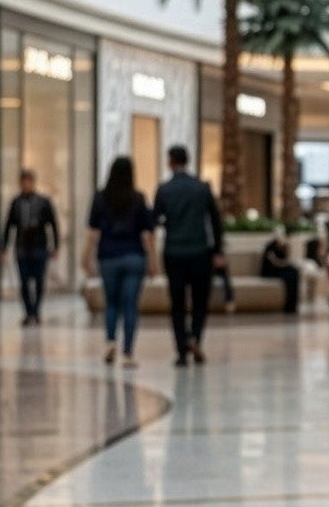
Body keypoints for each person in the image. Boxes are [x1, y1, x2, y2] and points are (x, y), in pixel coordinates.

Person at [153, 143, 224, 366]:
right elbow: (215, 221)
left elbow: (155, 219)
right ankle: (195, 337)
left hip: (174, 252)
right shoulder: (202, 188)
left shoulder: (164, 190)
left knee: (177, 302)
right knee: (200, 300)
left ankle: (182, 350)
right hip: (200, 252)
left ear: (170, 161)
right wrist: (218, 250)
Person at [83, 156, 157, 366]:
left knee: (112, 303)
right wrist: (153, 262)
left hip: (108, 256)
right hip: (134, 256)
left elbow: (92, 233)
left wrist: (85, 258)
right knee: (130, 306)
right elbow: (148, 234)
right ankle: (128, 353)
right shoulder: (139, 198)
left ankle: (110, 342)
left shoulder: (100, 197)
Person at [2, 168, 59, 323]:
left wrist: (55, 246)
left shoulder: (43, 202)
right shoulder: (16, 203)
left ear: (33, 183)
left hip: (40, 247)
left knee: (39, 281)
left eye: (28, 182)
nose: (26, 185)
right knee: (24, 281)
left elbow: (53, 225)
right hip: (22, 248)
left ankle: (35, 310)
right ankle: (28, 312)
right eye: (23, 182)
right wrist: (4, 248)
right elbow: (8, 226)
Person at [259, 228, 301, 314]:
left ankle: (292, 305)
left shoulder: (284, 247)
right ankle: (288, 306)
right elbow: (275, 262)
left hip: (281, 269)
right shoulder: (270, 246)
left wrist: (285, 248)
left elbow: (286, 260)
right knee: (289, 275)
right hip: (270, 271)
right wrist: (287, 264)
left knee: (294, 272)